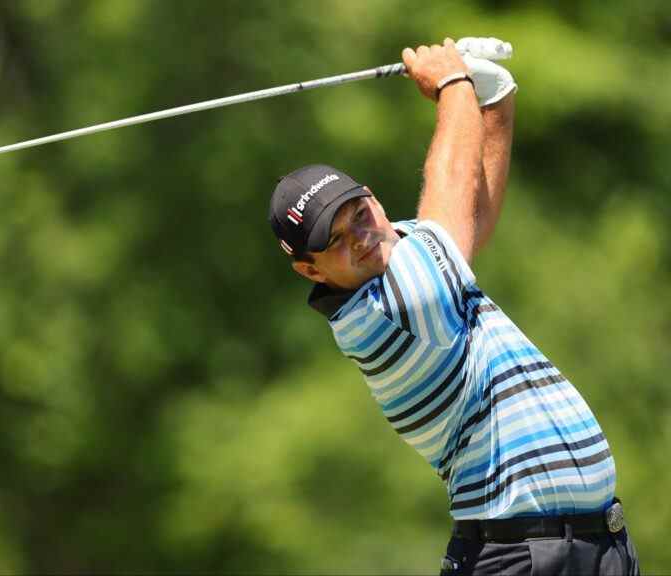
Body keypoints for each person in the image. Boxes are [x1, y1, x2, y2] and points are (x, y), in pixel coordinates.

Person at [268, 37, 640, 575]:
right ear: (311, 270)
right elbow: (451, 203)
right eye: (336, 238)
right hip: (517, 555)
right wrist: (452, 85)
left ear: (373, 197)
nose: (362, 235)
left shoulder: (414, 254)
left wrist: (494, 102)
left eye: (359, 212)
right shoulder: (379, 313)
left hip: (598, 545)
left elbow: (472, 216)